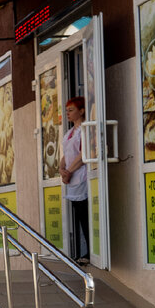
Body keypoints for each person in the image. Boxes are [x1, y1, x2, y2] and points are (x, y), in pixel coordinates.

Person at [60, 95, 90, 264]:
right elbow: (66, 154)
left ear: (82, 111)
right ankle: (82, 251)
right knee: (78, 216)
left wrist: (69, 171)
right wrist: (61, 169)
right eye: (67, 111)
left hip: (81, 177)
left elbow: (83, 153)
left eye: (71, 110)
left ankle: (88, 253)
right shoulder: (69, 132)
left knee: (85, 215)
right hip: (71, 178)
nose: (68, 114)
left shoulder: (85, 129)